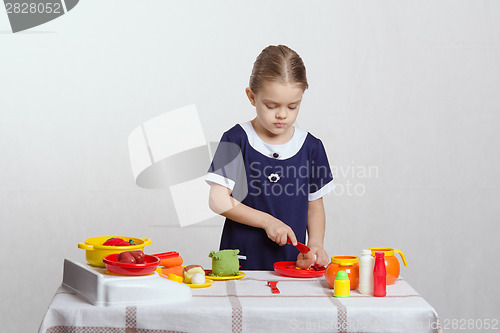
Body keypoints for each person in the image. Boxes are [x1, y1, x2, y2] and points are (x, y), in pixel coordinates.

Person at [206, 45, 335, 270]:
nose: (282, 114)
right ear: (252, 97)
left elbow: (314, 206)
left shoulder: (311, 148)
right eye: (271, 105)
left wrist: (315, 244)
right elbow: (218, 200)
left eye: (293, 106)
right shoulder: (235, 140)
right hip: (241, 262)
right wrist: (267, 222)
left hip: (292, 263)